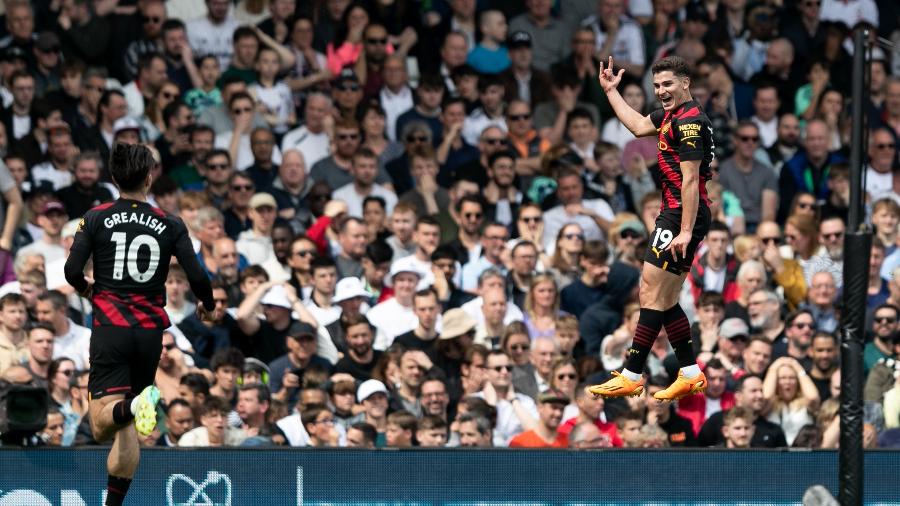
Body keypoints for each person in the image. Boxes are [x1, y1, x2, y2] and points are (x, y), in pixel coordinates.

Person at [63, 143, 217, 506]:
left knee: (102, 425)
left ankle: (134, 405)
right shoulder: (171, 222)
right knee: (127, 423)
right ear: (150, 177)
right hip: (150, 333)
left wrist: (88, 290)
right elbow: (198, 276)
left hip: (111, 329)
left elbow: (71, 271)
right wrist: (207, 307)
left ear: (114, 178)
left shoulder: (96, 216)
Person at [587, 55, 713, 402]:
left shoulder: (688, 124)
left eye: (668, 84)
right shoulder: (673, 116)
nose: (661, 91)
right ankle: (689, 372)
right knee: (665, 297)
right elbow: (641, 125)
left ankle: (631, 373)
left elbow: (690, 180)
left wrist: (685, 231)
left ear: (685, 83)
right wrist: (611, 92)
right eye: (657, 85)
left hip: (680, 215)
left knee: (649, 291)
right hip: (677, 213)